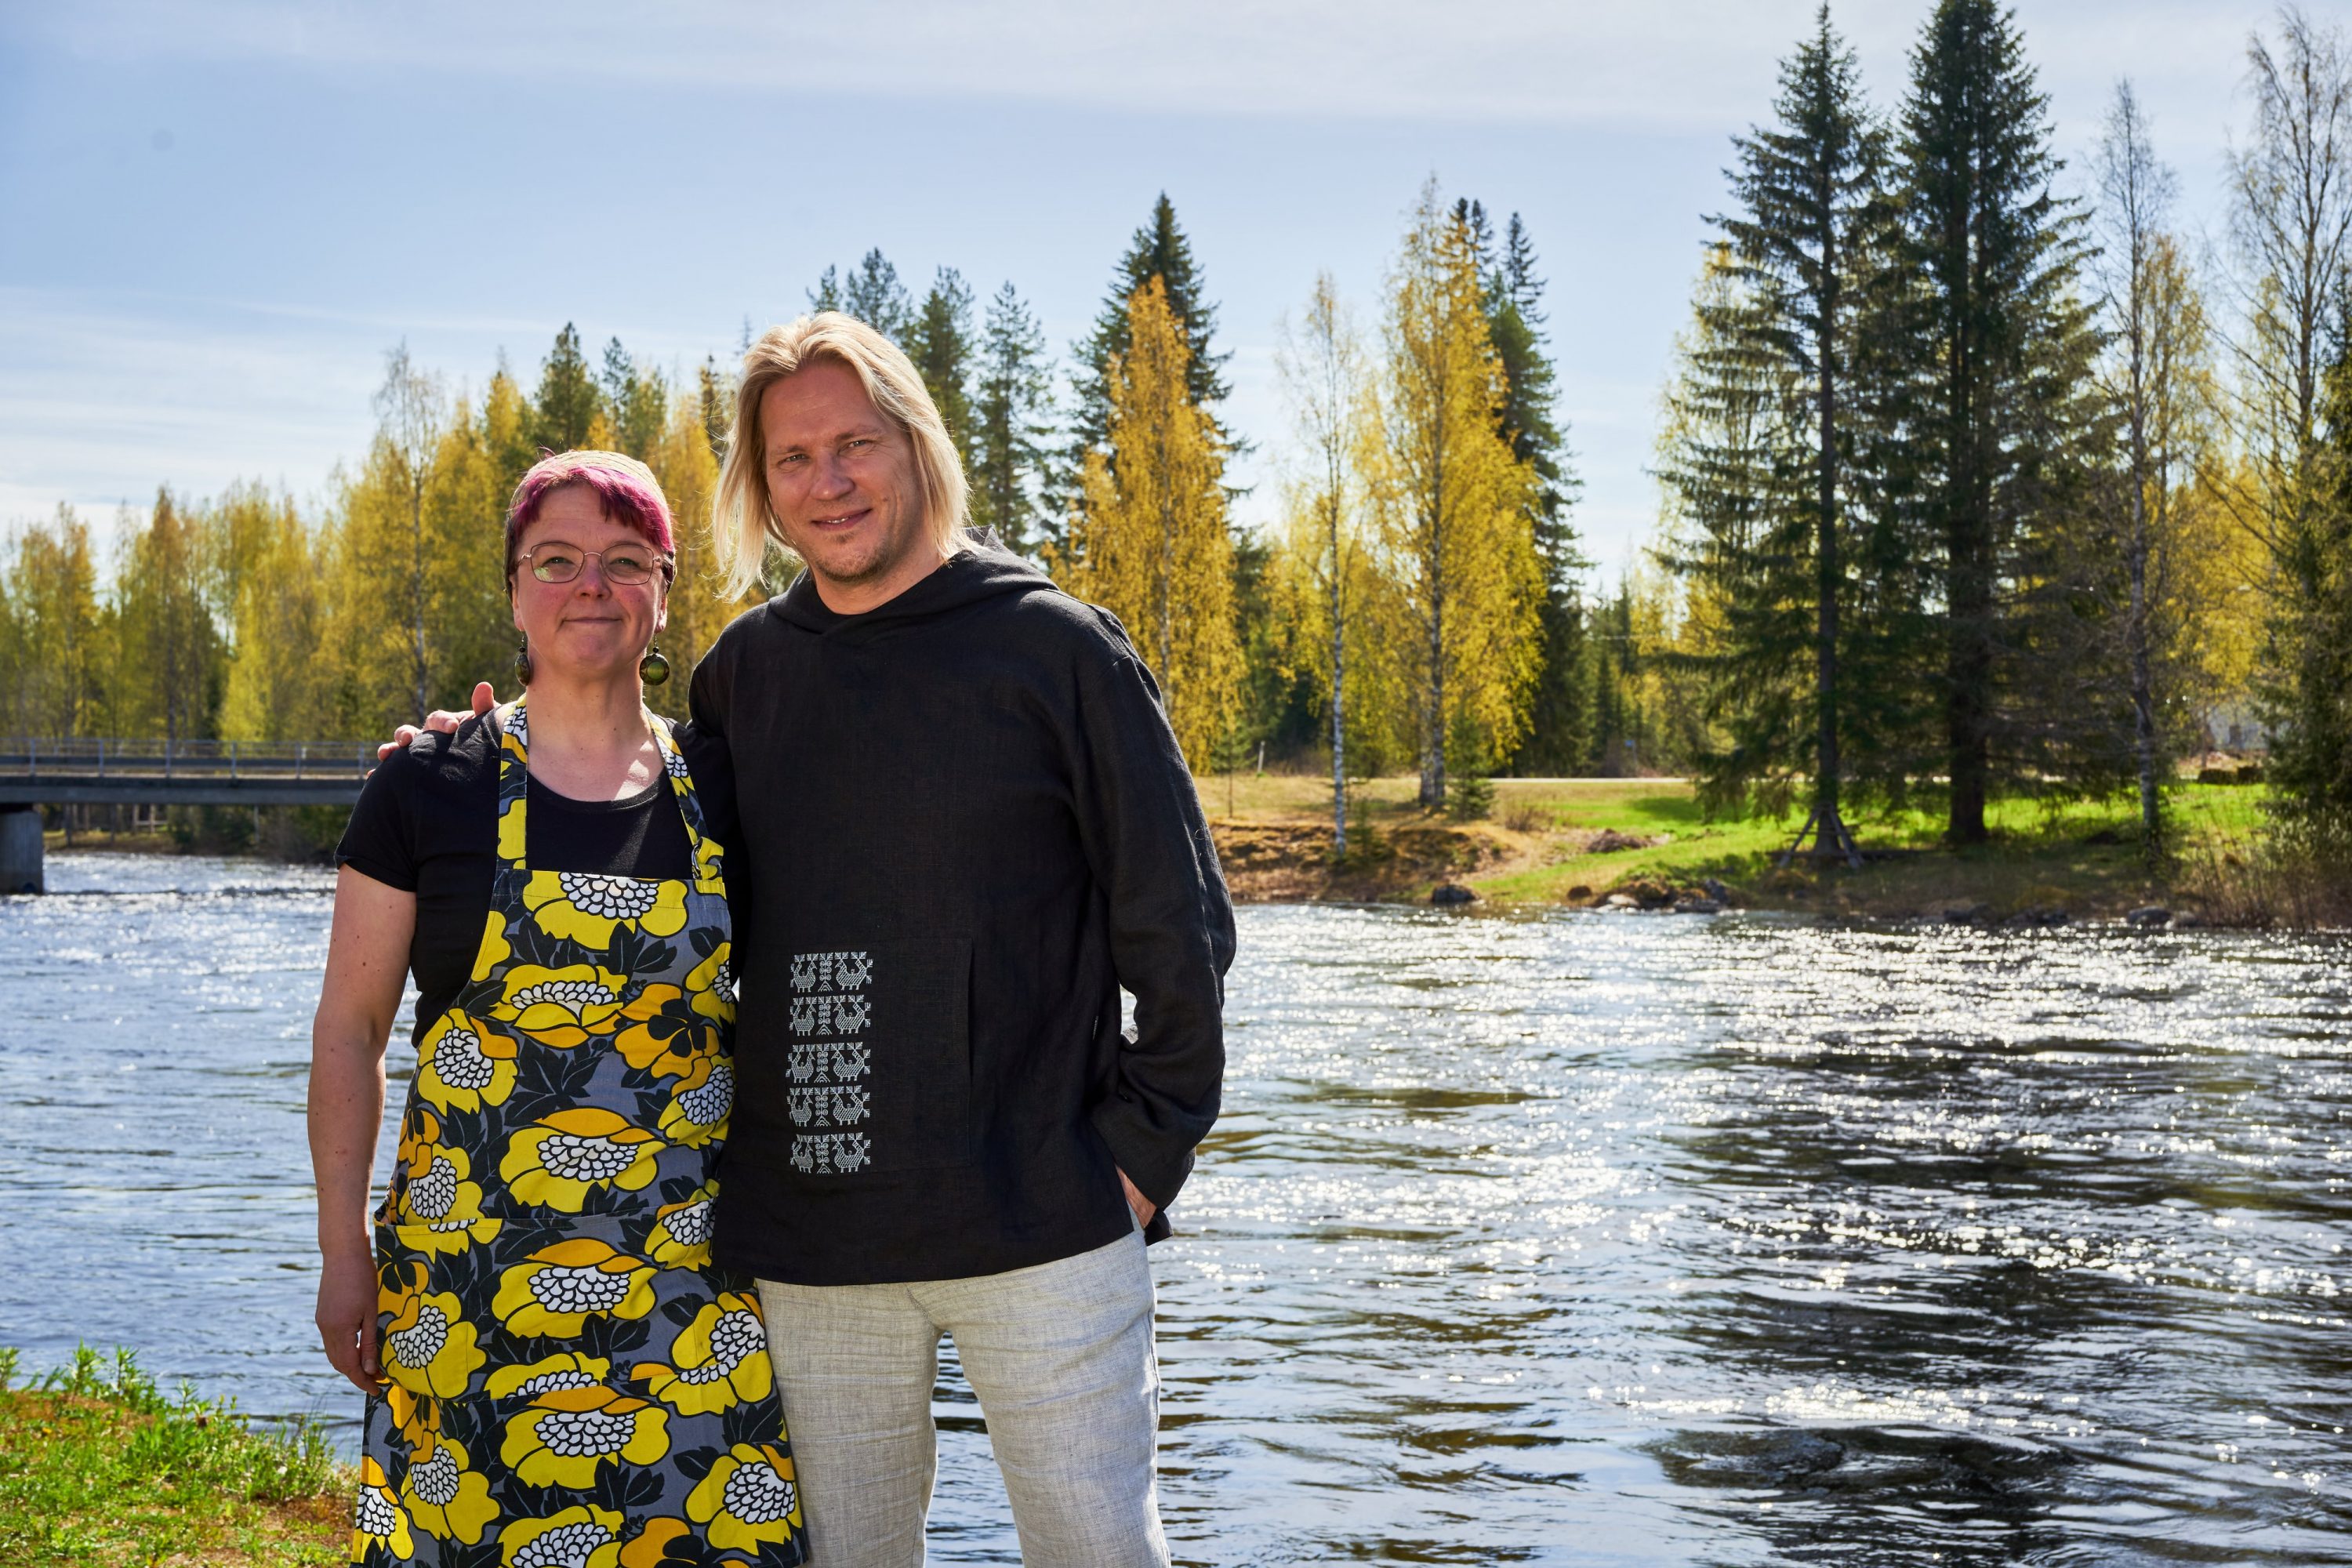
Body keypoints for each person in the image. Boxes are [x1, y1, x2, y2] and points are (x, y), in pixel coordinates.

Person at [406, 314, 1236, 1568]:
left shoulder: (1056, 650)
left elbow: (1180, 926)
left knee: (1100, 1551)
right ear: (762, 490)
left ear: (915, 444)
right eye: (793, 460)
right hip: (812, 1239)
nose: (830, 481)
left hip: (1048, 1215)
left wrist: (1140, 1157)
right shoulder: (747, 674)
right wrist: (477, 757)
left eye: (856, 444)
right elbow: (644, 826)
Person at [310, 452, 806, 1567]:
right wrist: (344, 1250)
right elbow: (349, 1032)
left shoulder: (728, 788)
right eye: (559, 561)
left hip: (688, 1288)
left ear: (665, 591)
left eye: (626, 562)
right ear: (516, 592)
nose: (593, 587)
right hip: (467, 1282)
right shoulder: (426, 785)